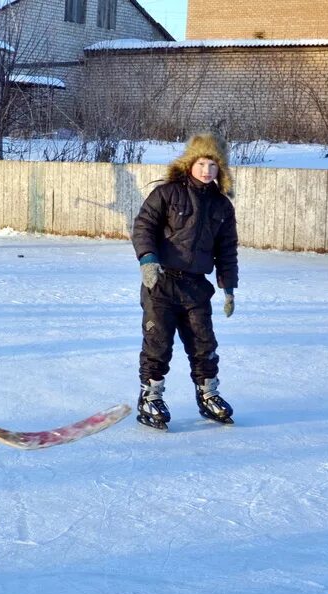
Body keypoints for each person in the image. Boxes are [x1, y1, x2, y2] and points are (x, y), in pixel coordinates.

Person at [130, 132, 238, 430]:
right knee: (158, 343)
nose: (207, 171)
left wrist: (228, 287)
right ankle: (150, 397)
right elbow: (143, 227)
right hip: (161, 284)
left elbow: (226, 250)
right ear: (189, 163)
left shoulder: (221, 206)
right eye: (202, 163)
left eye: (213, 165)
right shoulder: (166, 194)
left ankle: (208, 395)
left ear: (220, 170)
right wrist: (148, 260)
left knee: (204, 344)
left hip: (196, 287)